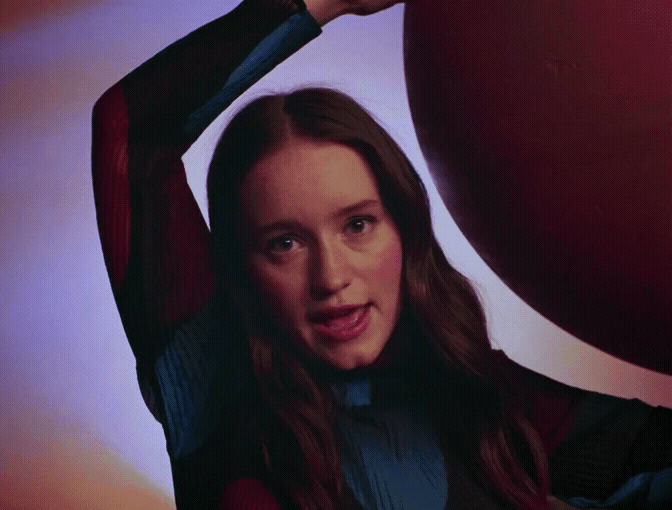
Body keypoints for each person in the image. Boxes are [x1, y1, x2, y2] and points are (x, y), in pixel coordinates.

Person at [92, 0, 672, 508]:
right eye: (285, 243)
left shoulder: (481, 396)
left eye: (358, 225)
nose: (331, 277)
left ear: (407, 233)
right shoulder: (217, 394)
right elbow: (134, 132)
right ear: (243, 271)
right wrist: (322, 3)